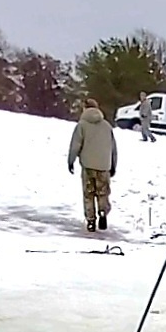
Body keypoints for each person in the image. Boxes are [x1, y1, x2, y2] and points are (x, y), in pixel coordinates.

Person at [68, 97, 117, 232]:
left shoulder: (82, 125)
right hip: (104, 167)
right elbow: (113, 149)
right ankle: (103, 212)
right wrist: (113, 165)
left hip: (88, 166)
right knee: (103, 193)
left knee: (88, 194)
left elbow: (75, 145)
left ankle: (91, 220)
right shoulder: (107, 126)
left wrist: (71, 161)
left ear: (85, 108)